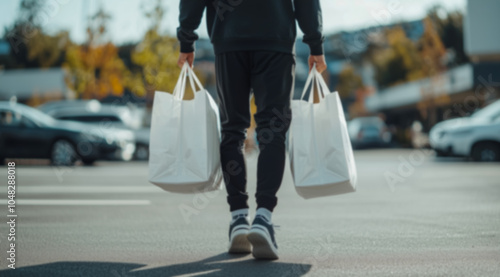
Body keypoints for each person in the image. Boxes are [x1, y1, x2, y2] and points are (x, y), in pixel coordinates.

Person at [177, 0, 326, 260]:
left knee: (232, 130)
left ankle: (238, 219)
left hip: (229, 39)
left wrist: (187, 40)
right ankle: (264, 218)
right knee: (272, 129)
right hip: (275, 39)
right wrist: (314, 42)